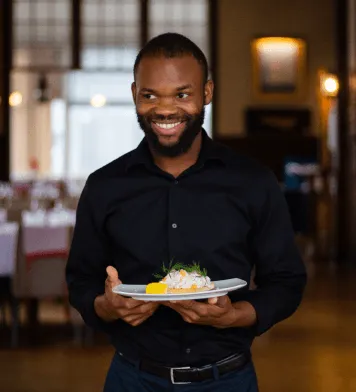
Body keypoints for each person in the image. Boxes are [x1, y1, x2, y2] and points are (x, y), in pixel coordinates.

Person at [66, 32, 307, 391]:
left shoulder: (253, 182)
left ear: (206, 93)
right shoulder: (104, 186)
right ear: (135, 94)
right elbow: (80, 282)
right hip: (132, 379)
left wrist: (234, 316)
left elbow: (287, 282)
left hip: (228, 379)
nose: (165, 110)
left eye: (182, 94)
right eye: (150, 95)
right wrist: (107, 307)